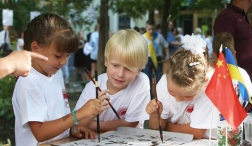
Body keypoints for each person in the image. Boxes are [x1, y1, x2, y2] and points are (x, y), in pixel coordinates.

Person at [12, 13, 110, 146]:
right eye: (58, 56)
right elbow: (40, 133)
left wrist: (71, 129)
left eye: (68, 55)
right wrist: (77, 115)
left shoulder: (55, 73)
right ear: (35, 48)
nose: (63, 61)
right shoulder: (29, 81)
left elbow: (57, 118)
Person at [73, 29, 150, 132]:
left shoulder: (141, 82)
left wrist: (91, 126)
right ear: (106, 61)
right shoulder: (92, 86)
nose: (120, 74)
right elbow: (76, 124)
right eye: (115, 65)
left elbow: (131, 123)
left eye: (128, 68)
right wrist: (92, 113)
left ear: (139, 70)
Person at [146, 34, 218, 139]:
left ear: (203, 81)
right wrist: (154, 115)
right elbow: (156, 128)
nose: (178, 99)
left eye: (187, 96)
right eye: (171, 91)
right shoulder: (163, 82)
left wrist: (167, 127)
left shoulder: (209, 87)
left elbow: (196, 133)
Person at [213, 0, 252, 113]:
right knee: (245, 129)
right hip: (243, 91)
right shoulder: (227, 17)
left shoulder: (242, 16)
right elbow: (224, 51)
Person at [212, 32, 252, 104]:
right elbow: (250, 99)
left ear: (214, 54)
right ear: (234, 53)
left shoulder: (208, 74)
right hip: (239, 114)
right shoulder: (242, 73)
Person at [142, 20, 170, 90]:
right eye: (149, 29)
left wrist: (167, 55)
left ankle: (160, 95)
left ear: (155, 28)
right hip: (147, 59)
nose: (151, 31)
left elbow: (166, 45)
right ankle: (149, 96)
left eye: (153, 29)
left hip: (158, 59)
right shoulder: (143, 37)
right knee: (147, 78)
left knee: (159, 78)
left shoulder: (159, 36)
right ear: (146, 28)